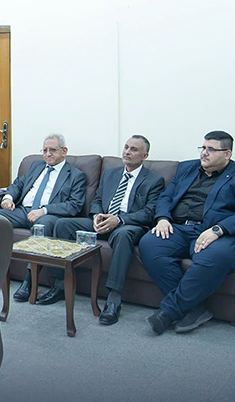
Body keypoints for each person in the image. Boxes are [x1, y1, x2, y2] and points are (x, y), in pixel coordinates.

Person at [138, 130, 235, 334]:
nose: (204, 153)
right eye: (203, 148)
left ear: (227, 154)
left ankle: (168, 312)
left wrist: (218, 229)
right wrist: (162, 218)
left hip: (214, 231)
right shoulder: (186, 168)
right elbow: (166, 198)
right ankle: (194, 309)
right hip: (178, 227)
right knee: (149, 245)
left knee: (216, 257)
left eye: (211, 149)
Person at [48, 136, 165, 322]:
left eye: (134, 149)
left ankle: (114, 299)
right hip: (103, 220)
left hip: (128, 225)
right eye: (126, 147)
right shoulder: (111, 174)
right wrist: (96, 216)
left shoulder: (154, 180)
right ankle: (60, 284)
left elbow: (149, 213)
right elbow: (97, 200)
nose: (127, 152)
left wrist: (118, 220)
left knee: (123, 235)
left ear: (145, 156)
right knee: (62, 224)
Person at [0, 134, 86, 304]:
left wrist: (44, 210)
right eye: (45, 150)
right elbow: (18, 184)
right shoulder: (36, 166)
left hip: (48, 215)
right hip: (22, 210)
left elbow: (74, 205)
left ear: (64, 151)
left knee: (43, 226)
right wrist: (8, 198)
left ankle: (29, 280)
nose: (48, 154)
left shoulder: (75, 175)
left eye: (53, 150)